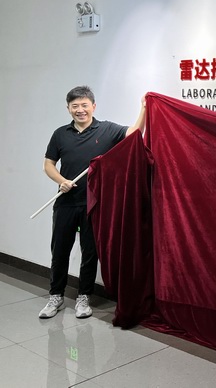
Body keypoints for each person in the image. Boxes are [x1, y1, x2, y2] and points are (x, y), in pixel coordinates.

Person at [39, 86, 146, 319]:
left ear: (93, 106)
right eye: (75, 106)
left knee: (90, 252)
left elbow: (134, 134)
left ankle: (83, 297)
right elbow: (48, 164)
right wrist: (61, 180)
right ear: (68, 108)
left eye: (84, 105)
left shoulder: (107, 129)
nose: (80, 110)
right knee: (60, 251)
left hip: (94, 204)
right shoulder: (60, 134)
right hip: (66, 202)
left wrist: (144, 108)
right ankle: (55, 296)